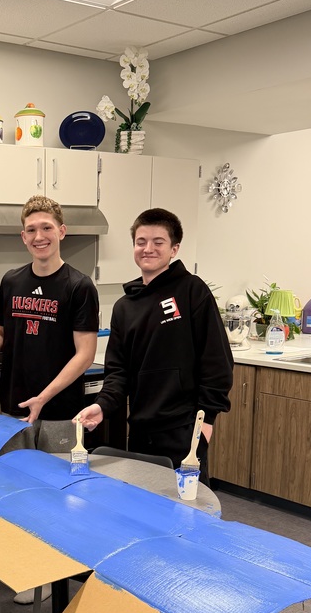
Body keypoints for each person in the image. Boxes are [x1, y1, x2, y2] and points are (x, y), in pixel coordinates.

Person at [0, 195, 99, 603]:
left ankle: (55, 574)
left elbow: (85, 354)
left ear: (61, 232)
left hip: (59, 411)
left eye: (47, 228)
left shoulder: (78, 286)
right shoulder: (12, 281)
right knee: (18, 489)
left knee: (57, 493)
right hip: (15, 408)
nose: (39, 236)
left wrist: (43, 396)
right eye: (31, 230)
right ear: (23, 236)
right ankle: (28, 567)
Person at [76, 207, 232, 483]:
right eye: (140, 242)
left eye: (158, 242)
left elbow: (217, 360)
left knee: (188, 511)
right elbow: (118, 372)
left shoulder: (192, 291)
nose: (148, 249)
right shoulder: (125, 306)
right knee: (144, 509)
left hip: (183, 429)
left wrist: (206, 421)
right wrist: (102, 406)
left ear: (174, 248)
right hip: (140, 430)